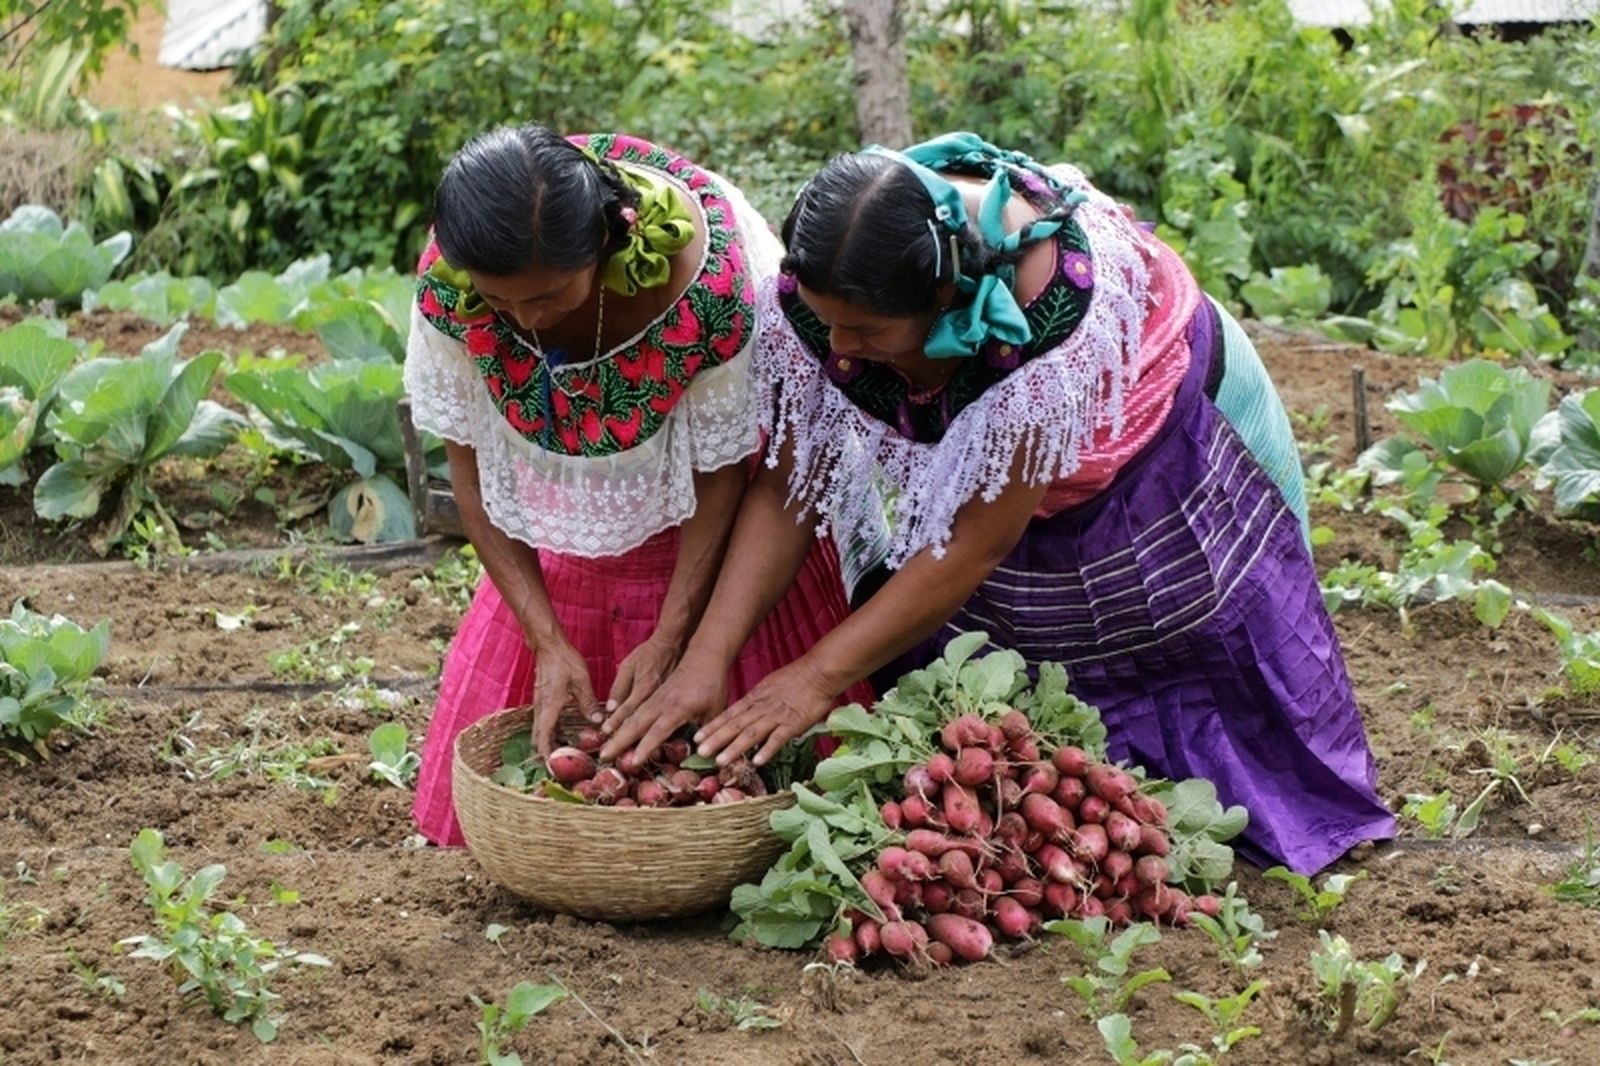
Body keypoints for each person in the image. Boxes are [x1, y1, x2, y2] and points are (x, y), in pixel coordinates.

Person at [605, 133, 1394, 874]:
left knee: (1164, 615)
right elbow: (788, 482)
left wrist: (815, 676)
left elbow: (974, 542)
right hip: (995, 458)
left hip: (1153, 439)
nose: (841, 348)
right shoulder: (835, 283)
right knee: (999, 659)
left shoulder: (1044, 320)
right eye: (829, 322)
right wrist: (706, 655)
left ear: (947, 298)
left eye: (870, 331)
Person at [405, 125, 871, 846]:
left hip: (707, 529)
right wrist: (548, 641)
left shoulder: (708, 285)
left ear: (606, 244)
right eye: (503, 301)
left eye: (552, 294)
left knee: (774, 823)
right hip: (568, 547)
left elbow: (725, 476)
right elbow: (469, 469)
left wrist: (676, 639)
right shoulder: (454, 282)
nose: (528, 318)